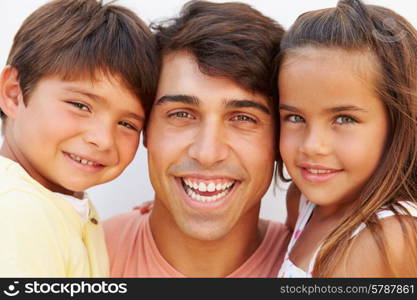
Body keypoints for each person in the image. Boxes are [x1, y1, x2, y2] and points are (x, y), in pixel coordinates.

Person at [104, 0, 290, 277]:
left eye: (243, 118)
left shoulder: (321, 267)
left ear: (279, 141)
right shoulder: (83, 255)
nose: (207, 153)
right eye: (182, 114)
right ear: (146, 128)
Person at [0, 0, 158, 277]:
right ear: (14, 94)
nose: (103, 139)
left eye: (126, 123)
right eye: (80, 106)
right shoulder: (17, 211)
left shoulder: (59, 203)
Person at [276, 0, 417, 277]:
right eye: (295, 118)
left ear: (397, 124)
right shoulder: (303, 202)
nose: (312, 146)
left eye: (344, 119)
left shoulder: (388, 239)